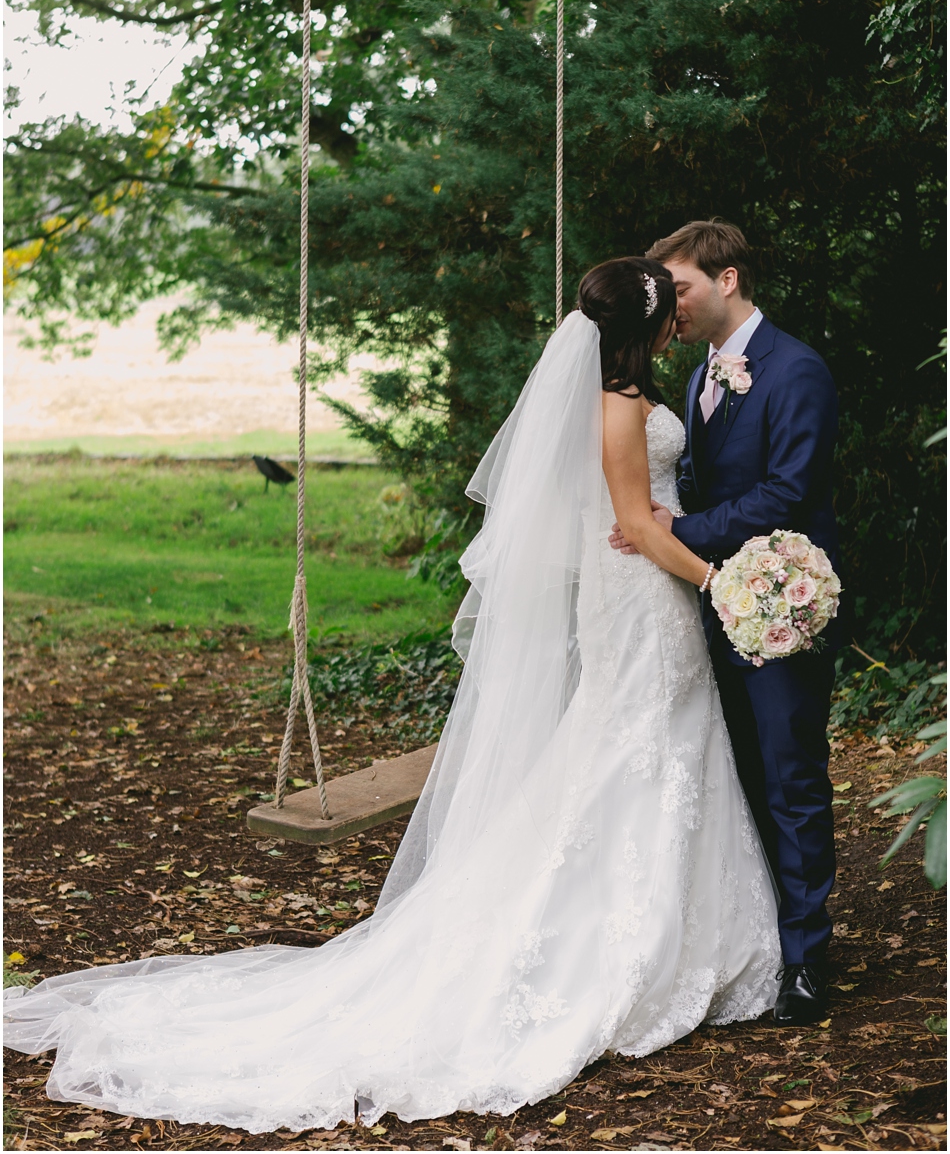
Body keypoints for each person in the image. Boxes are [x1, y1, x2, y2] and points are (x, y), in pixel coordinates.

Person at [4, 258, 780, 1135]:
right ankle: (617, 940)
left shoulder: (628, 396)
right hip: (643, 591)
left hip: (643, 586)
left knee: (651, 744)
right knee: (632, 742)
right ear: (645, 327)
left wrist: (683, 549)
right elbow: (635, 520)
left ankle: (678, 932)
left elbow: (632, 513)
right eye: (666, 309)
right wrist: (722, 579)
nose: (681, 319)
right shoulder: (618, 406)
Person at [610, 221, 840, 1025]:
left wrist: (674, 530)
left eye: (680, 288)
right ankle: (761, 940)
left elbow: (786, 493)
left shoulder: (796, 369)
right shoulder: (699, 375)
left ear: (728, 279)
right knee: (737, 780)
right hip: (709, 607)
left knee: (791, 778)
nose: (670, 305)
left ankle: (808, 959)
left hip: (777, 607)